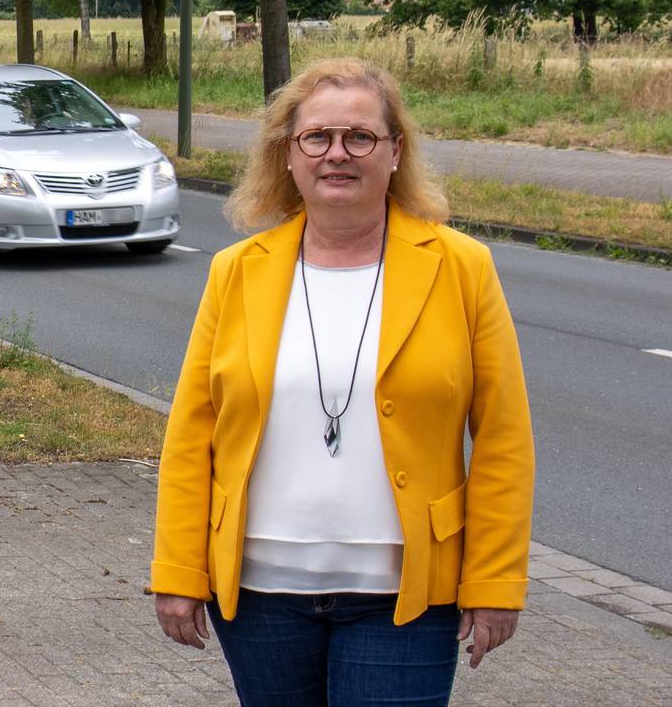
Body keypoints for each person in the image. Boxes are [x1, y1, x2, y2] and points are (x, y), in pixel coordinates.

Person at [148, 58, 534, 705]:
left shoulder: (463, 268)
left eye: (360, 137)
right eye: (316, 138)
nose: (337, 155)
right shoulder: (236, 272)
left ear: (395, 152)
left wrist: (495, 581)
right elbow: (193, 433)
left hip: (407, 598)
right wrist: (178, 570)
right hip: (259, 597)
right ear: (289, 156)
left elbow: (503, 437)